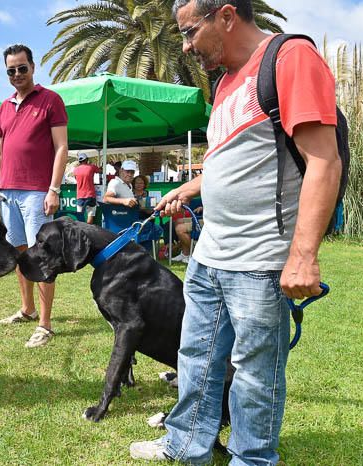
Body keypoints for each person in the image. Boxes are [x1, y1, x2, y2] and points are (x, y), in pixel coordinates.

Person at [129, 1, 342, 464]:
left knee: (253, 373)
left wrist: (302, 256)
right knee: (196, 357)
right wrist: (190, 186)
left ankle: (252, 458)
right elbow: (231, 161)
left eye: (189, 33)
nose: (185, 47)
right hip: (210, 255)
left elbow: (324, 160)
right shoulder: (225, 82)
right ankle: (186, 446)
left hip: (260, 259)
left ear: (225, 16)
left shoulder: (289, 59)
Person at [0, 43, 69, 348]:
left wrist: (54, 188)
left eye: (22, 68)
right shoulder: (4, 106)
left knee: (42, 255)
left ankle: (45, 324)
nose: (17, 74)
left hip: (37, 193)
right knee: (19, 253)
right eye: (11, 70)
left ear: (33, 67)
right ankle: (28, 309)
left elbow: (62, 148)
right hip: (8, 192)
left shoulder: (50, 100)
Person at [73, 153, 101, 224]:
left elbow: (76, 178)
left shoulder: (75, 170)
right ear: (87, 159)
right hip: (90, 195)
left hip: (80, 195)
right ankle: (88, 231)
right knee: (90, 214)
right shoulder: (91, 167)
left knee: (80, 216)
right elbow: (100, 171)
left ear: (79, 161)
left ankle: (81, 232)